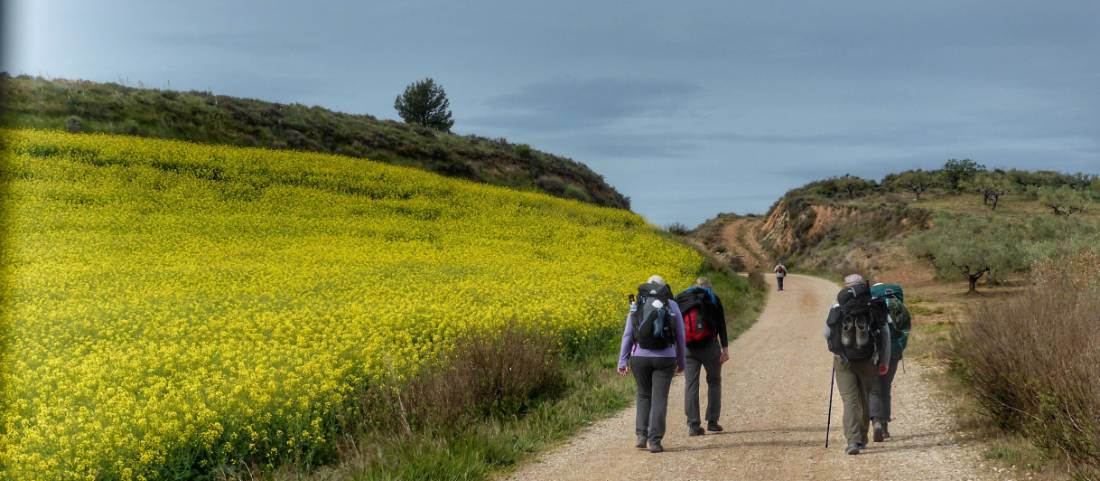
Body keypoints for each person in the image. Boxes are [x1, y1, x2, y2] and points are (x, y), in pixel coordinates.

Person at [618, 275, 687, 453]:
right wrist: (681, 361)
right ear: (664, 288)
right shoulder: (671, 304)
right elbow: (680, 335)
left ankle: (641, 435)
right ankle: (654, 441)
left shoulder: (637, 304)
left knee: (643, 395)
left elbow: (628, 334)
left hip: (639, 357)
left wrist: (622, 360)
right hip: (665, 358)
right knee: (659, 398)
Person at [823, 274, 890, 455]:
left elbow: (826, 332)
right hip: (868, 359)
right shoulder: (873, 303)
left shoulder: (838, 304)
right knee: (865, 397)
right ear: (863, 286)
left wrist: (836, 348)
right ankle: (863, 437)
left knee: (850, 400)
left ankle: (853, 441)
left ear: (845, 287)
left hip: (843, 359)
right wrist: (884, 361)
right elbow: (885, 334)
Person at [675, 277, 730, 436]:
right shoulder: (713, 299)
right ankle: (712, 422)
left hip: (688, 348)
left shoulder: (682, 298)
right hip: (710, 346)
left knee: (691, 384)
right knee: (714, 381)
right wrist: (725, 348)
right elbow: (721, 325)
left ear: (694, 285)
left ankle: (693, 425)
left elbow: (677, 326)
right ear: (709, 286)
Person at [869, 283, 911, 441]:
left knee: (873, 389)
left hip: (873, 352)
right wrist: (899, 350)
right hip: (893, 351)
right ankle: (885, 427)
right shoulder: (899, 307)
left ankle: (876, 422)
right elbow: (905, 332)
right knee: (885, 388)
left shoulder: (872, 306)